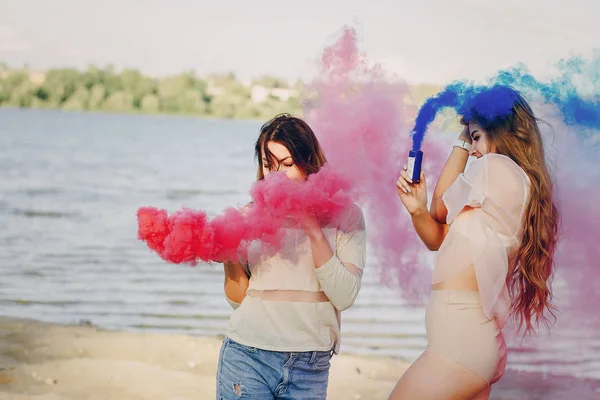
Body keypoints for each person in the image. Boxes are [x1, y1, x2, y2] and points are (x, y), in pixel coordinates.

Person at [391, 87, 559, 400]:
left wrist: (461, 139)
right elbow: (439, 239)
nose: (474, 150)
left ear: (502, 132)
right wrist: (416, 209)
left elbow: (440, 207)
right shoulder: (501, 185)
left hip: (460, 346)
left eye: (477, 138)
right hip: (464, 343)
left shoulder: (496, 168)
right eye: (471, 139)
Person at [217, 113, 367, 400]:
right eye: (267, 165)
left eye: (287, 164)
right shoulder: (249, 215)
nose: (277, 176)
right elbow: (239, 301)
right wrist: (229, 258)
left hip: (310, 365)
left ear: (309, 161)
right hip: (247, 355)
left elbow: (345, 296)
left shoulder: (347, 215)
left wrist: (312, 229)